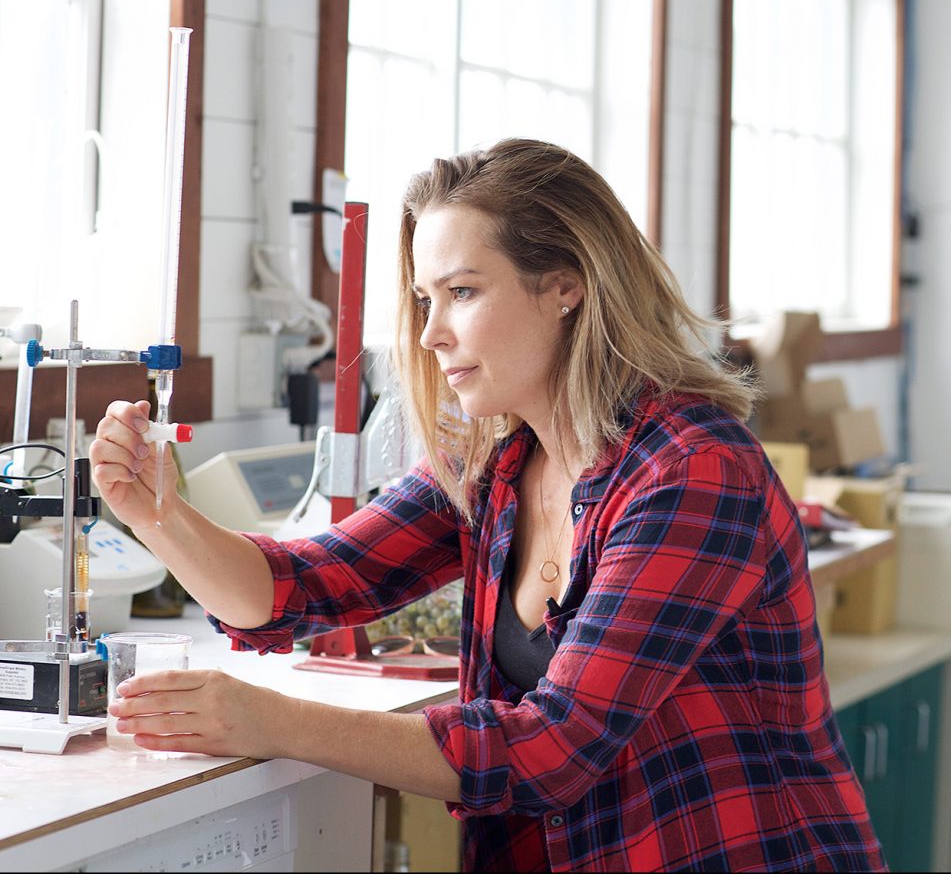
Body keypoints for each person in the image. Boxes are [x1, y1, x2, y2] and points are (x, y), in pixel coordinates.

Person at [91, 138, 886, 873]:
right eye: (423, 299)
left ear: (566, 287)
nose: (431, 334)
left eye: (461, 292)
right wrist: (156, 511)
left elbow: (555, 748)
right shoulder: (495, 461)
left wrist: (269, 720)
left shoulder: (693, 472)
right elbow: (299, 586)